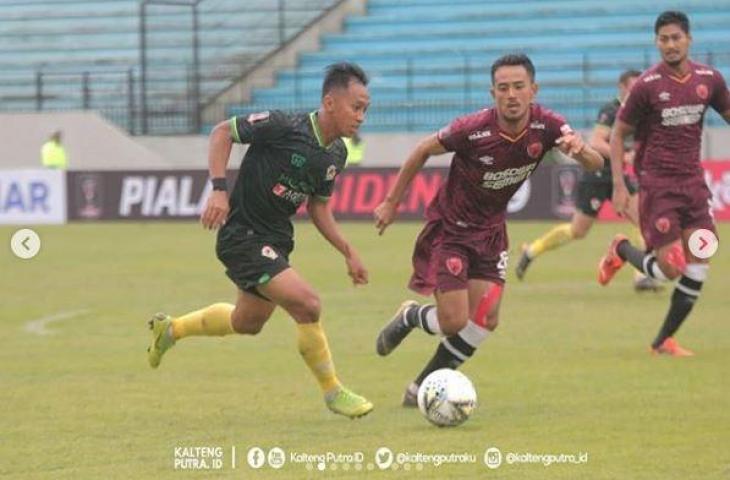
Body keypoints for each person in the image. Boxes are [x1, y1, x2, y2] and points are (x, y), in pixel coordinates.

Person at [373, 53, 603, 406]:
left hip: (492, 233)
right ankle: (410, 316)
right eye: (503, 88)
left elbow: (596, 163)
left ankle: (420, 387)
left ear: (533, 90)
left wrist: (582, 151)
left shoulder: (550, 126)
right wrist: (391, 201)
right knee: (454, 320)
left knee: (486, 319)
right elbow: (421, 150)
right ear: (492, 92)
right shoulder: (473, 129)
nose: (511, 94)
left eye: (518, 87)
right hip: (452, 229)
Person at [146, 62, 374, 418]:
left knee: (247, 322)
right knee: (308, 304)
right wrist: (219, 191)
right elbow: (222, 132)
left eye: (365, 109)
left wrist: (348, 251)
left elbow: (319, 208)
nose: (361, 116)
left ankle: (171, 329)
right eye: (355, 107)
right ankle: (333, 392)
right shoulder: (285, 125)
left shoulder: (336, 154)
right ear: (330, 102)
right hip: (242, 234)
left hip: (276, 239)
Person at [598, 11, 730, 356]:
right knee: (670, 269)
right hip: (657, 184)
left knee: (702, 256)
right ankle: (623, 249)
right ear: (657, 43)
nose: (670, 44)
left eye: (676, 38)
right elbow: (617, 135)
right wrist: (619, 186)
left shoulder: (709, 79)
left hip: (693, 184)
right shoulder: (646, 85)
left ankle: (662, 341)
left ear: (689, 39)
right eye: (663, 39)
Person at [516, 70, 661, 291]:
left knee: (643, 220)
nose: (636, 92)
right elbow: (596, 142)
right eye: (632, 87)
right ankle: (531, 250)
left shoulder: (637, 112)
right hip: (596, 175)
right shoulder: (611, 111)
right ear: (621, 87)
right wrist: (625, 154)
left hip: (617, 175)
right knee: (577, 231)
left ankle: (642, 276)